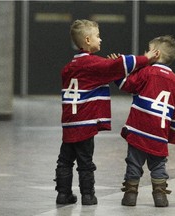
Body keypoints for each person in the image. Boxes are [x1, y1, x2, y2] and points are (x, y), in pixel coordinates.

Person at [54, 19, 158, 206]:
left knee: (65, 160)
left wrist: (111, 66)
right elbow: (120, 64)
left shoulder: (68, 68)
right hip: (85, 123)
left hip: (69, 122)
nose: (100, 40)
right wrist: (147, 58)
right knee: (86, 161)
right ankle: (88, 195)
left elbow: (108, 69)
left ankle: (63, 194)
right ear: (87, 40)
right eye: (97, 36)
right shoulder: (93, 64)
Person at [114, 35, 175, 207]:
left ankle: (130, 195)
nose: (145, 53)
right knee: (158, 164)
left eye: (148, 49)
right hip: (159, 134)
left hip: (139, 129)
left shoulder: (146, 72)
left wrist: (116, 70)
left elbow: (125, 85)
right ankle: (160, 196)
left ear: (156, 54)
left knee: (134, 163)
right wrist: (171, 136)